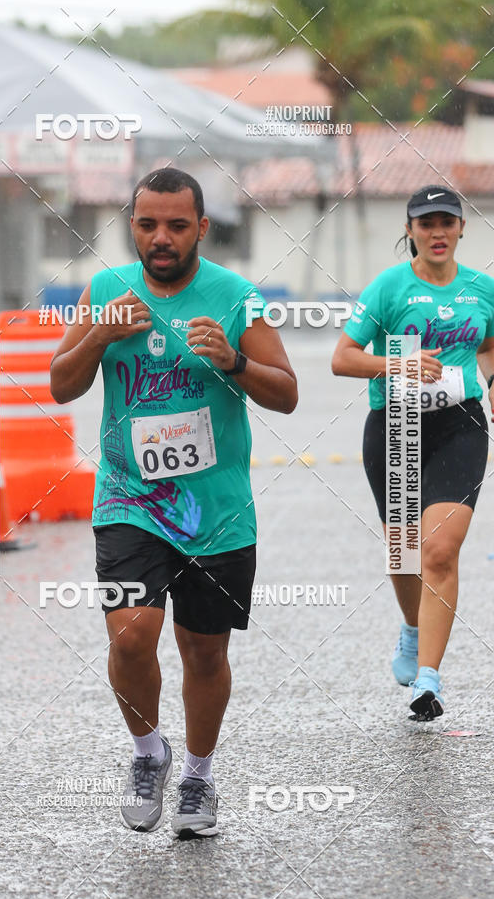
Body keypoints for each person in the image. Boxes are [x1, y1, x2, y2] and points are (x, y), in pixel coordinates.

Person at [50, 168, 298, 836]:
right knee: (131, 637)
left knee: (204, 652)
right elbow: (60, 385)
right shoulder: (105, 291)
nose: (161, 238)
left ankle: (197, 776)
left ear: (201, 228)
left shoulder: (237, 298)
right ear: (131, 225)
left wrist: (234, 363)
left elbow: (287, 393)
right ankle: (146, 752)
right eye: (147, 224)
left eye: (177, 226)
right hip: (128, 499)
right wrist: (98, 336)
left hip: (215, 511)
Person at [332, 185, 494, 721]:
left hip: (460, 425)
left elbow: (489, 345)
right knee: (403, 552)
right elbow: (342, 358)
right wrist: (396, 364)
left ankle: (428, 678)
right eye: (426, 223)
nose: (437, 232)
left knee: (440, 550)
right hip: (396, 426)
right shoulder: (389, 287)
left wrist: (493, 382)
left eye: (447, 221)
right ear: (410, 231)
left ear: (462, 227)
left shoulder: (483, 289)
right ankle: (410, 627)